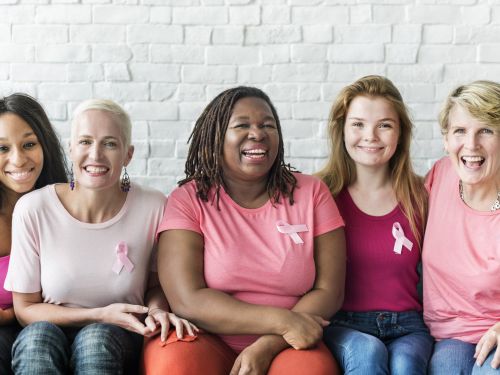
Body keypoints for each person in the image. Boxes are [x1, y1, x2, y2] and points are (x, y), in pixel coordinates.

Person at [142, 86, 346, 375]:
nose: (257, 134)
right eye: (242, 125)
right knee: (171, 366)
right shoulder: (188, 199)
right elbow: (187, 299)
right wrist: (283, 321)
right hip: (205, 337)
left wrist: (271, 342)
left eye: (267, 125)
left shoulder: (312, 193)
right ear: (216, 138)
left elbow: (330, 290)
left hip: (288, 343)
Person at [5, 99, 197, 374]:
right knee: (37, 339)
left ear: (128, 154)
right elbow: (25, 310)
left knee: (95, 339)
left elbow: (156, 285)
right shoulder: (33, 208)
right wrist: (97, 314)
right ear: (70, 149)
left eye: (110, 143)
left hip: (118, 335)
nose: (95, 155)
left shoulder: (153, 206)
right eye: (85, 142)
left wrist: (156, 310)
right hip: (49, 330)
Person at [319, 75, 433, 374]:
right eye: (358, 124)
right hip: (344, 324)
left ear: (400, 133)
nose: (371, 135)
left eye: (384, 125)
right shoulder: (320, 195)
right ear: (341, 130)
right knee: (367, 353)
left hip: (409, 325)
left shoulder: (422, 196)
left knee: (406, 364)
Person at [424, 80, 500, 375]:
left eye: (486, 130)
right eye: (460, 131)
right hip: (449, 337)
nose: (471, 145)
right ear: (446, 139)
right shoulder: (440, 176)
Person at [0, 93, 68, 374]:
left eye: (29, 144)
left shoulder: (70, 204)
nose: (18, 159)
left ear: (46, 146)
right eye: (2, 149)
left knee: (38, 340)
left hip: (58, 326)